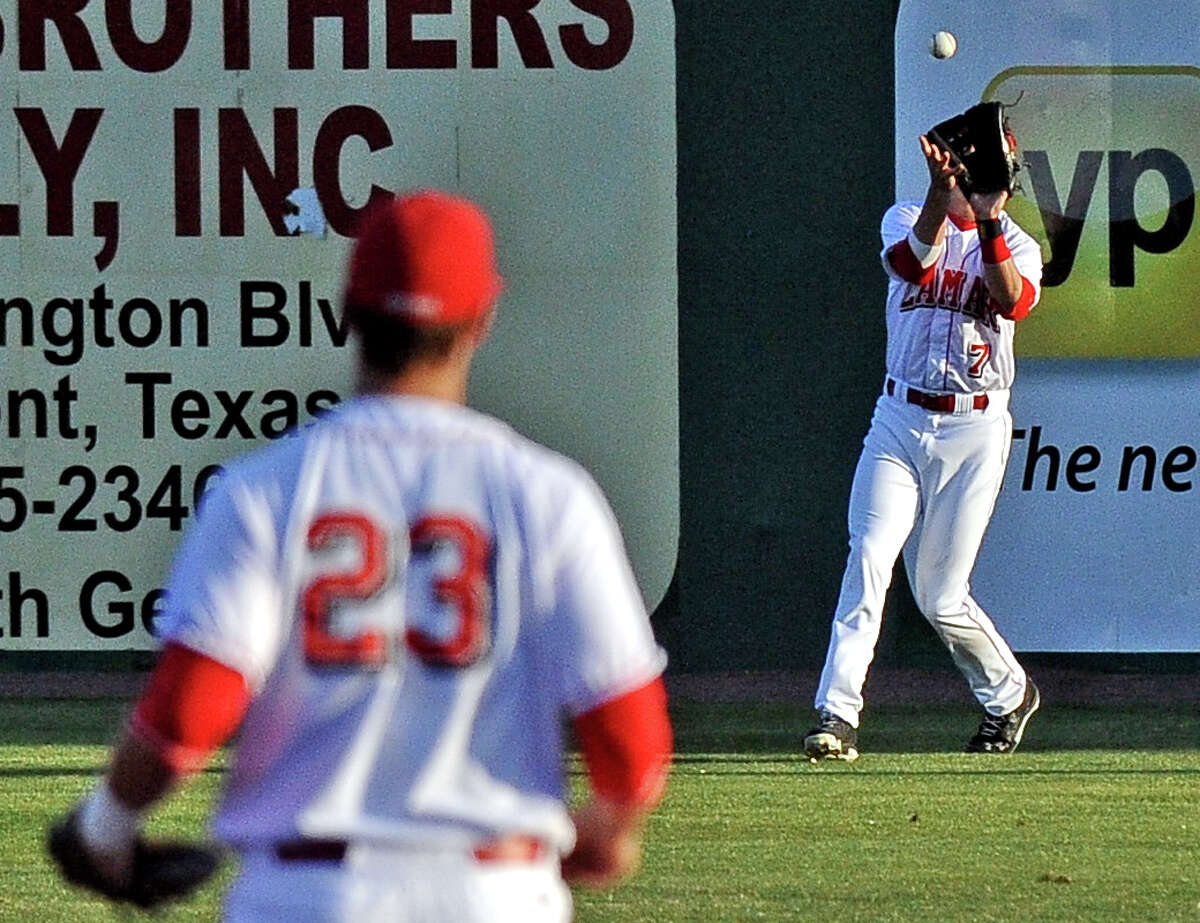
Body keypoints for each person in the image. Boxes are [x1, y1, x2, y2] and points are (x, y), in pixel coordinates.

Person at [48, 190, 673, 921]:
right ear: (483, 319)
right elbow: (630, 736)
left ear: (347, 309)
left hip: (308, 894)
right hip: (493, 892)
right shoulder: (547, 495)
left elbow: (191, 708)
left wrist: (105, 831)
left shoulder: (265, 490)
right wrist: (611, 831)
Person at [804, 125, 1043, 761]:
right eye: (969, 171)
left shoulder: (1018, 243)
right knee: (870, 554)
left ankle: (1009, 693)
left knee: (940, 596)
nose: (976, 181)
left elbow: (1010, 299)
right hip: (900, 419)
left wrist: (989, 220)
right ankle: (837, 713)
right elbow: (913, 263)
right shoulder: (908, 215)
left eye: (988, 174)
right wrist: (942, 195)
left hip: (976, 427)